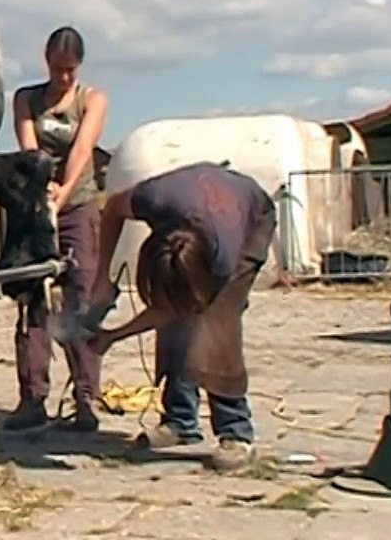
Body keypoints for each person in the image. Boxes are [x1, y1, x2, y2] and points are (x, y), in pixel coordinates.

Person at [86, 161, 277, 472]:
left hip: (253, 218)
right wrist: (102, 276)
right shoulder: (152, 199)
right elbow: (112, 209)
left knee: (217, 326)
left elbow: (173, 309)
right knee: (179, 318)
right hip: (202, 206)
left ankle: (235, 430)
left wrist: (113, 336)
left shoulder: (223, 258)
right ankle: (180, 421)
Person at [1, 25, 109, 433]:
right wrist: (41, 189)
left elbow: (83, 149)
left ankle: (85, 398)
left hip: (77, 206)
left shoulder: (92, 99)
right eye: (57, 69)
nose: (63, 77)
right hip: (35, 206)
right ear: (46, 63)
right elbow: (30, 148)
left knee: (79, 299)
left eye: (70, 70)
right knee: (33, 299)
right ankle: (32, 397)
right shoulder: (27, 99)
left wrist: (61, 194)